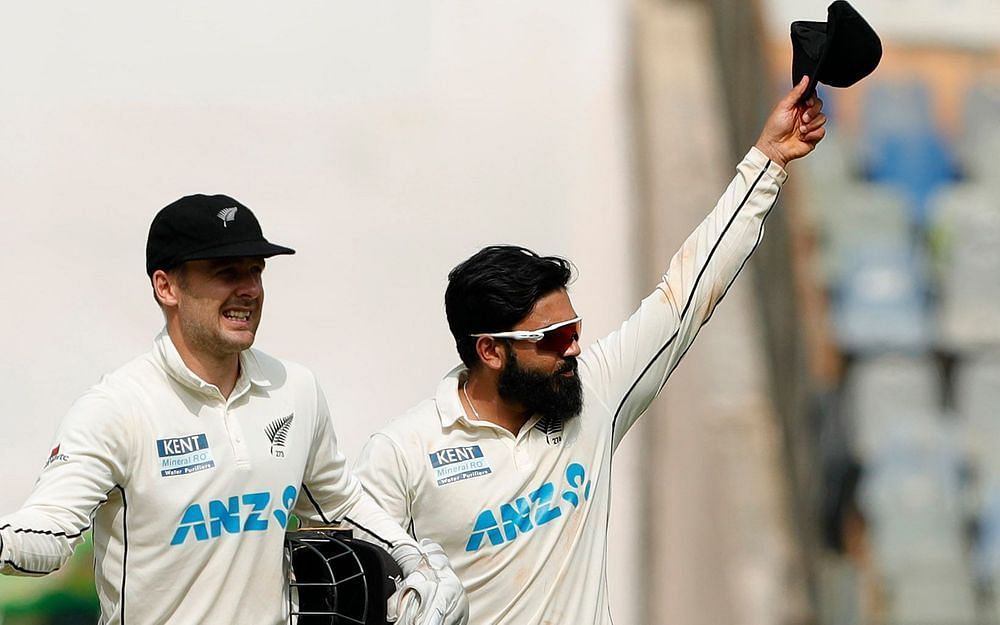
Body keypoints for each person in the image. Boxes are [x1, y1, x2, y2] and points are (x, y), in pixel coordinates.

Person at [354, 76, 827, 624]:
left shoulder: (593, 394)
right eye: (553, 338)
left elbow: (686, 294)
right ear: (489, 351)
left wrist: (768, 160)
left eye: (574, 326)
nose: (575, 346)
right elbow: (345, 584)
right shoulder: (402, 452)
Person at [0, 194, 468, 625]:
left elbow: (340, 502)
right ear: (166, 287)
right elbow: (49, 535)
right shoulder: (116, 408)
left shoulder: (295, 390)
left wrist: (414, 558)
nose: (249, 289)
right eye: (226, 272)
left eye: (256, 271)